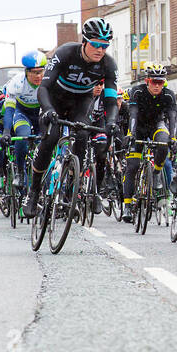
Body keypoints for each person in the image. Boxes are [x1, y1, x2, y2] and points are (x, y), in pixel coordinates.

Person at [25, 18, 119, 218]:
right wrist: (48, 110)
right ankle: (33, 193)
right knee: (51, 138)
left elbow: (111, 100)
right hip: (55, 100)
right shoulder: (65, 53)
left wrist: (111, 122)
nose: (100, 50)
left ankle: (70, 189)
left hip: (81, 102)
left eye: (105, 45)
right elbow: (43, 88)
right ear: (84, 41)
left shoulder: (108, 64)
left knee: (83, 134)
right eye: (95, 44)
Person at [119, 63, 177, 222]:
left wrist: (173, 138)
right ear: (147, 80)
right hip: (138, 128)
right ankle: (127, 206)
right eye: (154, 82)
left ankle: (157, 173)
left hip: (156, 126)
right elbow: (133, 113)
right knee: (132, 165)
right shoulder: (137, 91)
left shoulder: (168, 95)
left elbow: (172, 118)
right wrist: (130, 134)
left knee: (164, 142)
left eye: (161, 82)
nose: (157, 85)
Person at [2, 52, 46, 185]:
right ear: (26, 72)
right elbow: (9, 110)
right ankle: (20, 172)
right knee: (23, 135)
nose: (38, 76)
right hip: (22, 113)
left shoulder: (48, 80)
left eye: (40, 72)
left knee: (45, 141)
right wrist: (6, 132)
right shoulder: (16, 83)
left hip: (40, 113)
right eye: (34, 72)